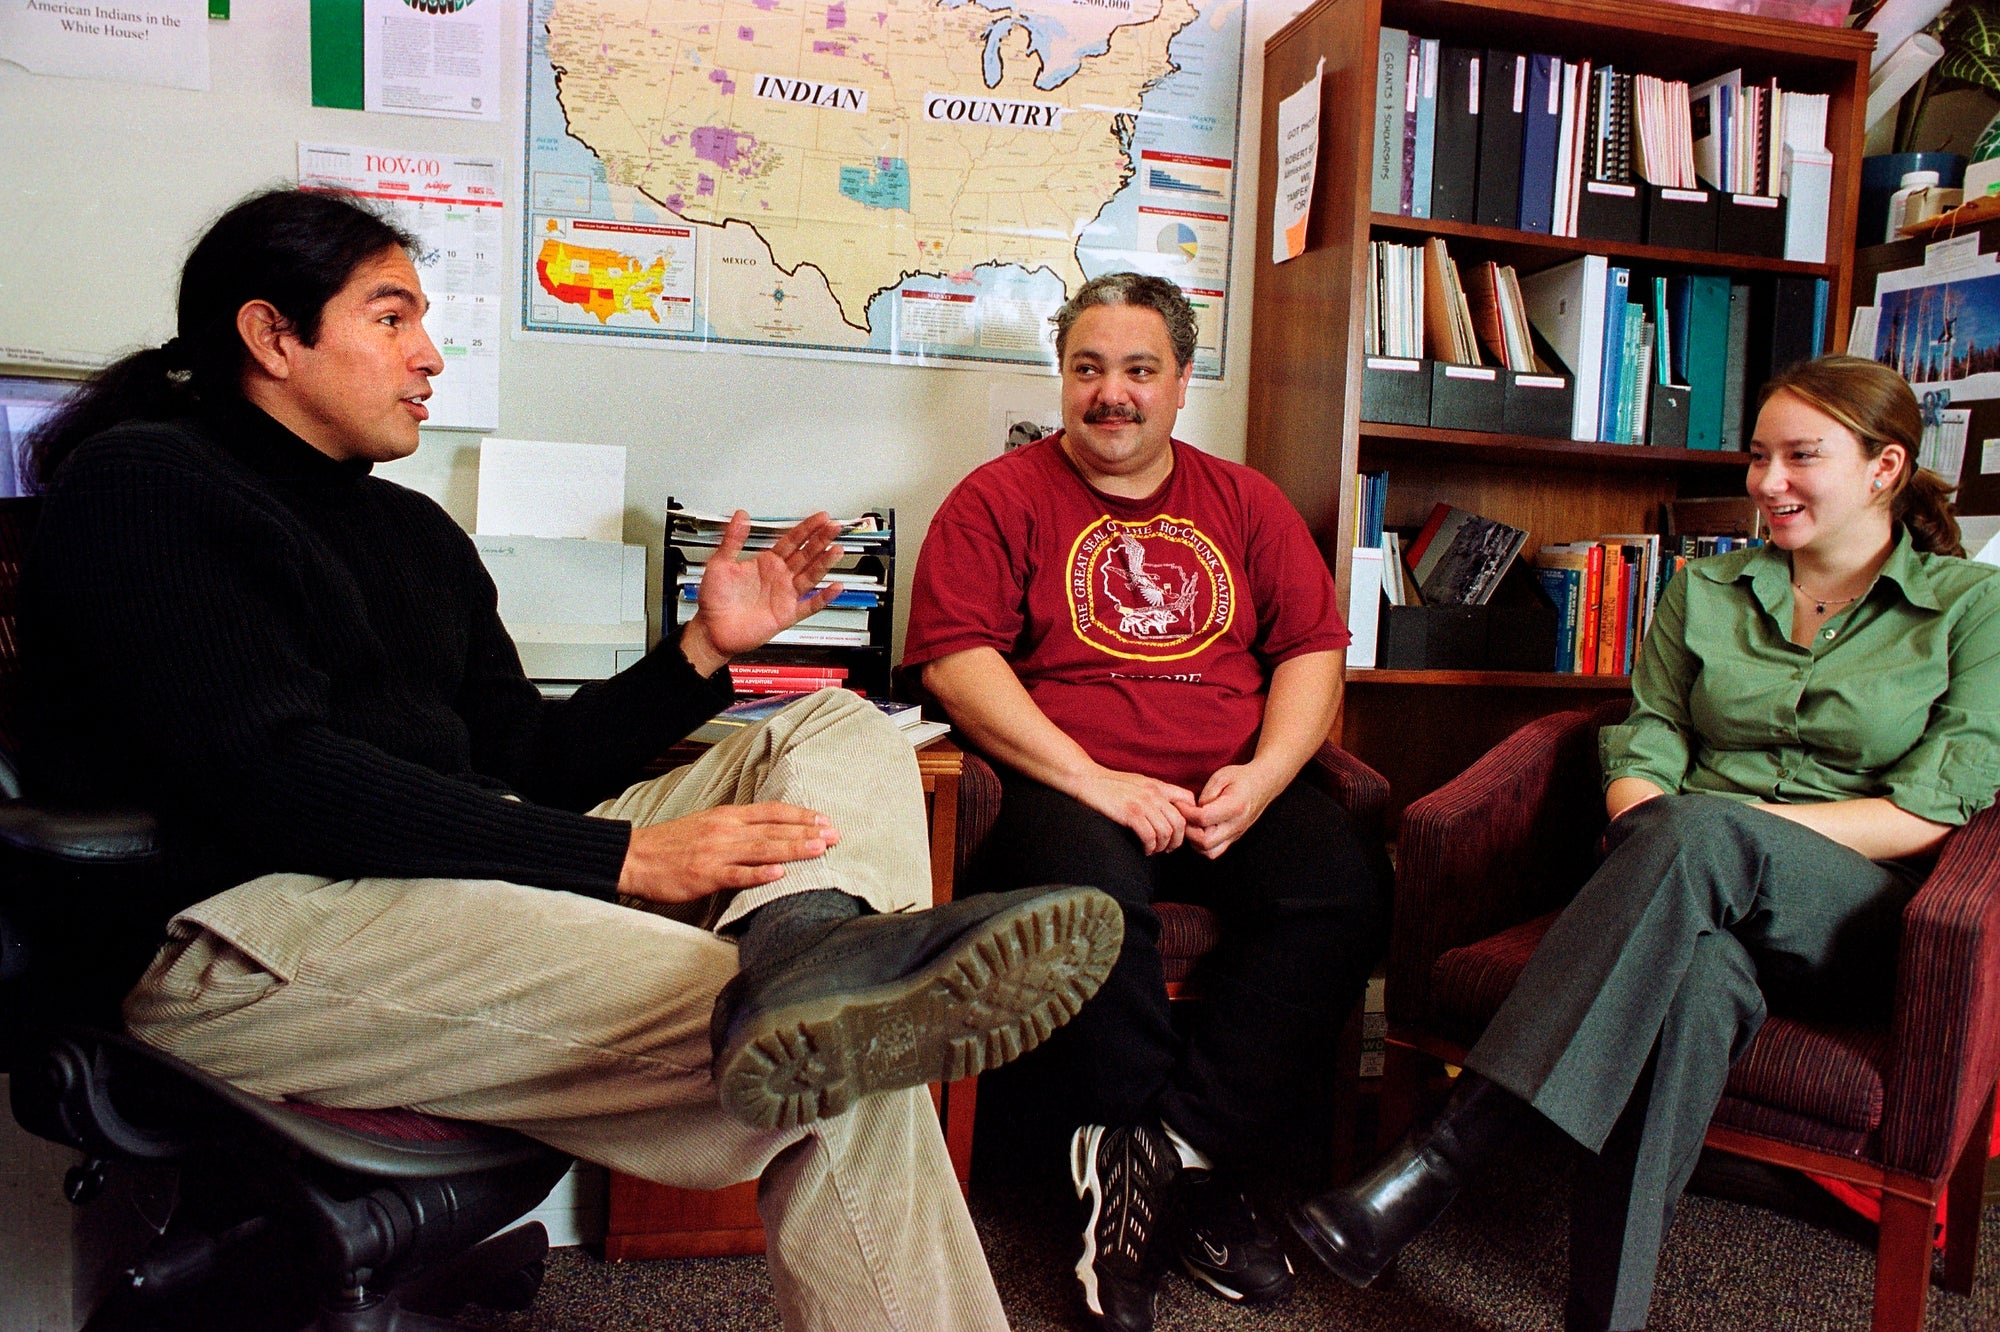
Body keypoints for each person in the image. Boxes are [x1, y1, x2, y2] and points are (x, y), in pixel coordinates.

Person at [19, 187, 1128, 1332]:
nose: (430, 356)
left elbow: (531, 760)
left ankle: (808, 942)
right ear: (272, 335)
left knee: (830, 735)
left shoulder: (412, 536)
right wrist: (622, 859)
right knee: (851, 1044)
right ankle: (815, 973)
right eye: (391, 319)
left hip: (433, 891)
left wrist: (702, 649)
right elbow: (274, 777)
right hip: (243, 935)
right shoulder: (151, 484)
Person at [1289, 354, 2000, 1331]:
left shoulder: (1970, 605)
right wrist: (1645, 818)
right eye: (1757, 456)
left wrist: (1702, 828)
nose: (1766, 483)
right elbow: (1647, 734)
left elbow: (1932, 807)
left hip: (1851, 916)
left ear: (1882, 468)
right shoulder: (1703, 591)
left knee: (1702, 832)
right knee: (1695, 983)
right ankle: (1604, 1314)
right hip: (1678, 891)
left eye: (1800, 457)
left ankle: (1447, 1150)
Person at [903, 272, 1390, 1331]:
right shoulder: (996, 498)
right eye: (1087, 369)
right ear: (1061, 379)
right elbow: (954, 662)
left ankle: (1160, 1156)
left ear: (1179, 386)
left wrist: (1261, 781)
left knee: (1339, 895)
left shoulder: (1245, 501)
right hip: (1066, 782)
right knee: (1094, 901)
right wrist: (1095, 781)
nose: (1109, 393)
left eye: (1136, 370)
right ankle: (1175, 1178)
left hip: (1227, 784)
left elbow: (1312, 651)